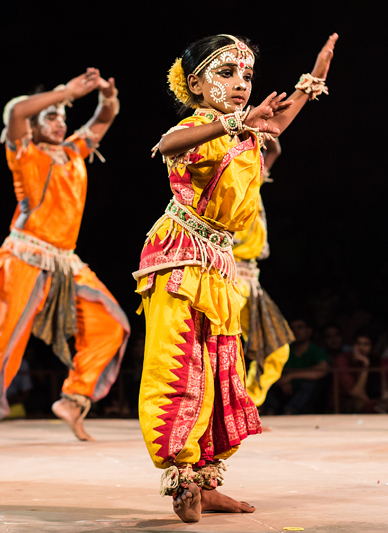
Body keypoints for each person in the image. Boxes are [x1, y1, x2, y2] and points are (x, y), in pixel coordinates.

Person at [135, 33, 338, 522]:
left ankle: (205, 482)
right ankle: (181, 475)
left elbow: (279, 121)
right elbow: (167, 144)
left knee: (219, 374)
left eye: (246, 74)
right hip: (180, 257)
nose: (241, 83)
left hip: (220, 265)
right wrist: (232, 122)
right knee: (178, 367)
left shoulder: (247, 131)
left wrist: (314, 79)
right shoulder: (201, 125)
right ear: (197, 84)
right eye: (226, 73)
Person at [0, 70, 130, 445]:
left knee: (111, 324)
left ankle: (74, 399)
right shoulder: (24, 152)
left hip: (66, 260)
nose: (60, 122)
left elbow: (105, 117)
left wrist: (107, 95)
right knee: (8, 338)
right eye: (51, 116)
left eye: (62, 117)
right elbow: (17, 111)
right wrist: (64, 93)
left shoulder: (73, 151)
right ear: (34, 126)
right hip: (26, 256)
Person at [233, 138, 294, 408]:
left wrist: (265, 125)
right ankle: (219, 412)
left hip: (251, 278)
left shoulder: (254, 178)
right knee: (223, 348)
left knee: (276, 347)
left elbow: (276, 149)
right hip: (225, 274)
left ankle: (245, 406)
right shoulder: (228, 177)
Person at [263, 318, 330, 415]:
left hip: (306, 399)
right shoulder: (283, 350)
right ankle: (270, 412)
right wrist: (282, 381)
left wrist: (290, 376)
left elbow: (322, 370)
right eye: (292, 328)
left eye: (300, 327)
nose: (295, 331)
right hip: (283, 392)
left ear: (309, 331)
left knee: (310, 384)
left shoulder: (316, 351)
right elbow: (268, 371)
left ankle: (290, 411)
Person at [331, 328, 373, 413]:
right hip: (340, 405)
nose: (361, 347)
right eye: (358, 343)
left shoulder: (375, 360)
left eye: (366, 344)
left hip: (363, 401)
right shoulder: (342, 360)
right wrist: (366, 366)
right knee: (360, 402)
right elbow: (354, 393)